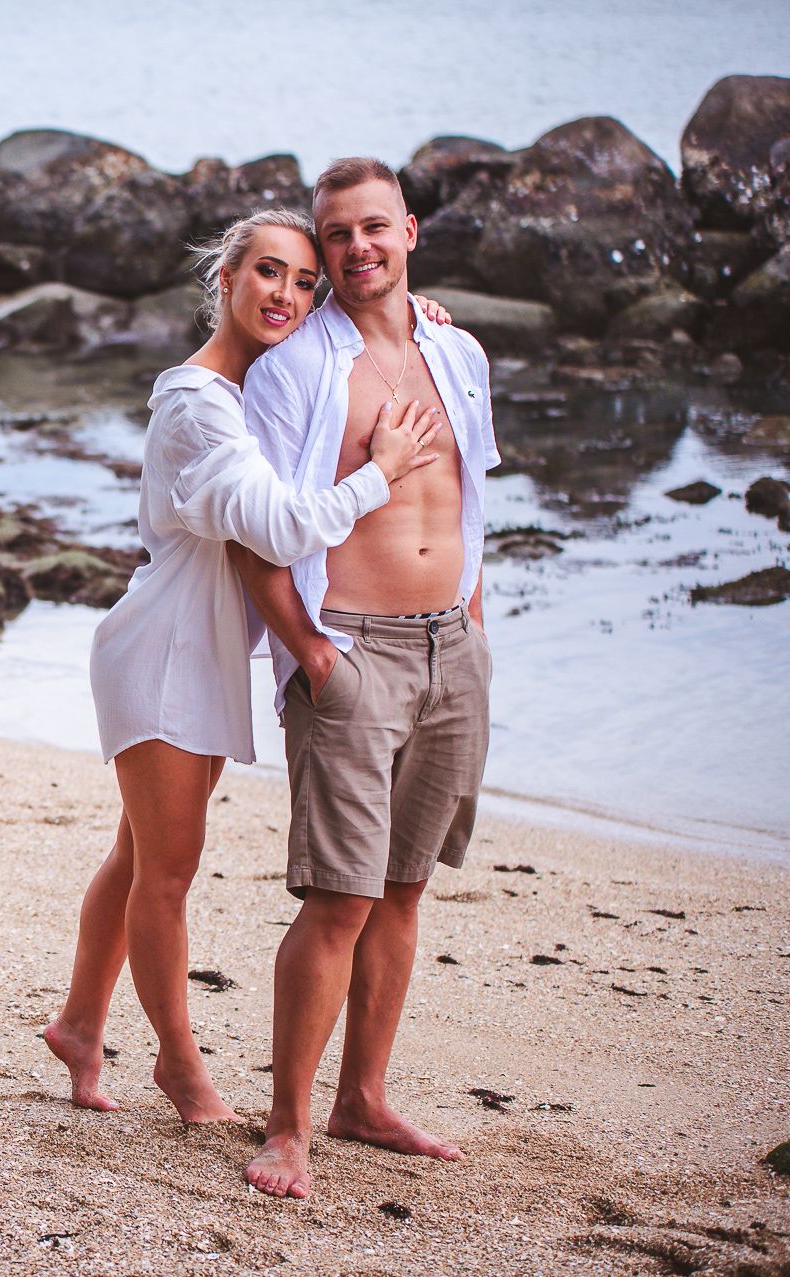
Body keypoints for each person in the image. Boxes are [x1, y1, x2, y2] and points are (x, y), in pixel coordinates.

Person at [44, 206, 448, 1121]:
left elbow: (350, 349)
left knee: (137, 852)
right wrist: (380, 473)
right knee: (169, 874)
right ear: (224, 280)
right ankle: (181, 1070)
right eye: (270, 273)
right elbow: (274, 525)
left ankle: (78, 1022)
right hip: (169, 654)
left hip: (195, 649)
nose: (290, 295)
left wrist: (418, 319)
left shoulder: (249, 385)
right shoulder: (197, 406)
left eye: (306, 281)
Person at [234, 157, 499, 1198]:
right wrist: (308, 652)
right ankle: (289, 1127)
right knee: (338, 898)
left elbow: (470, 495)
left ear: (412, 231)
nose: (358, 249)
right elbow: (252, 532)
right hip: (352, 649)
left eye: (375, 228)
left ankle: (366, 1097)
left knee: (403, 889)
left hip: (453, 650)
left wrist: (475, 619)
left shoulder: (460, 350)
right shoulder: (298, 366)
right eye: (337, 235)